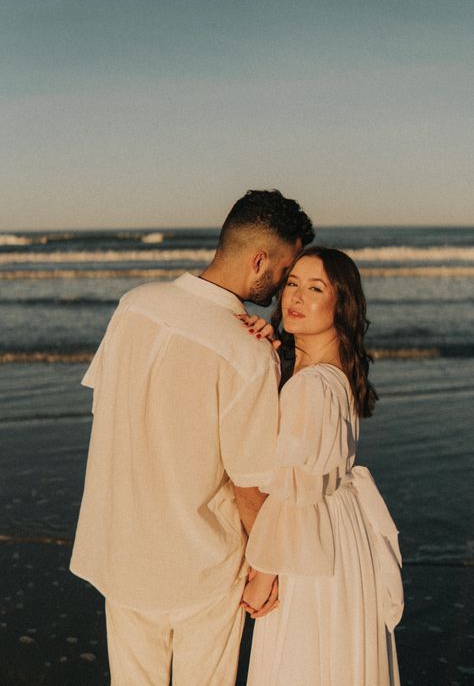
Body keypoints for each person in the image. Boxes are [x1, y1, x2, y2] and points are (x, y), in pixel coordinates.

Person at [69, 190, 314, 685]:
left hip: (122, 553)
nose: (285, 286)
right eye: (286, 272)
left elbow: (111, 412)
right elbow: (249, 485)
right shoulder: (246, 353)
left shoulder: (135, 305)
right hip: (199, 567)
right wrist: (269, 567)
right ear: (259, 259)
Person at [242, 247, 404, 686]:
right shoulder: (329, 373)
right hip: (341, 535)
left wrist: (264, 573)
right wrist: (267, 355)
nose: (295, 296)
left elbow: (295, 492)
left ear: (341, 304)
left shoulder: (311, 386)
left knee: (300, 661)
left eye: (315, 288)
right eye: (291, 283)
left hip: (311, 546)